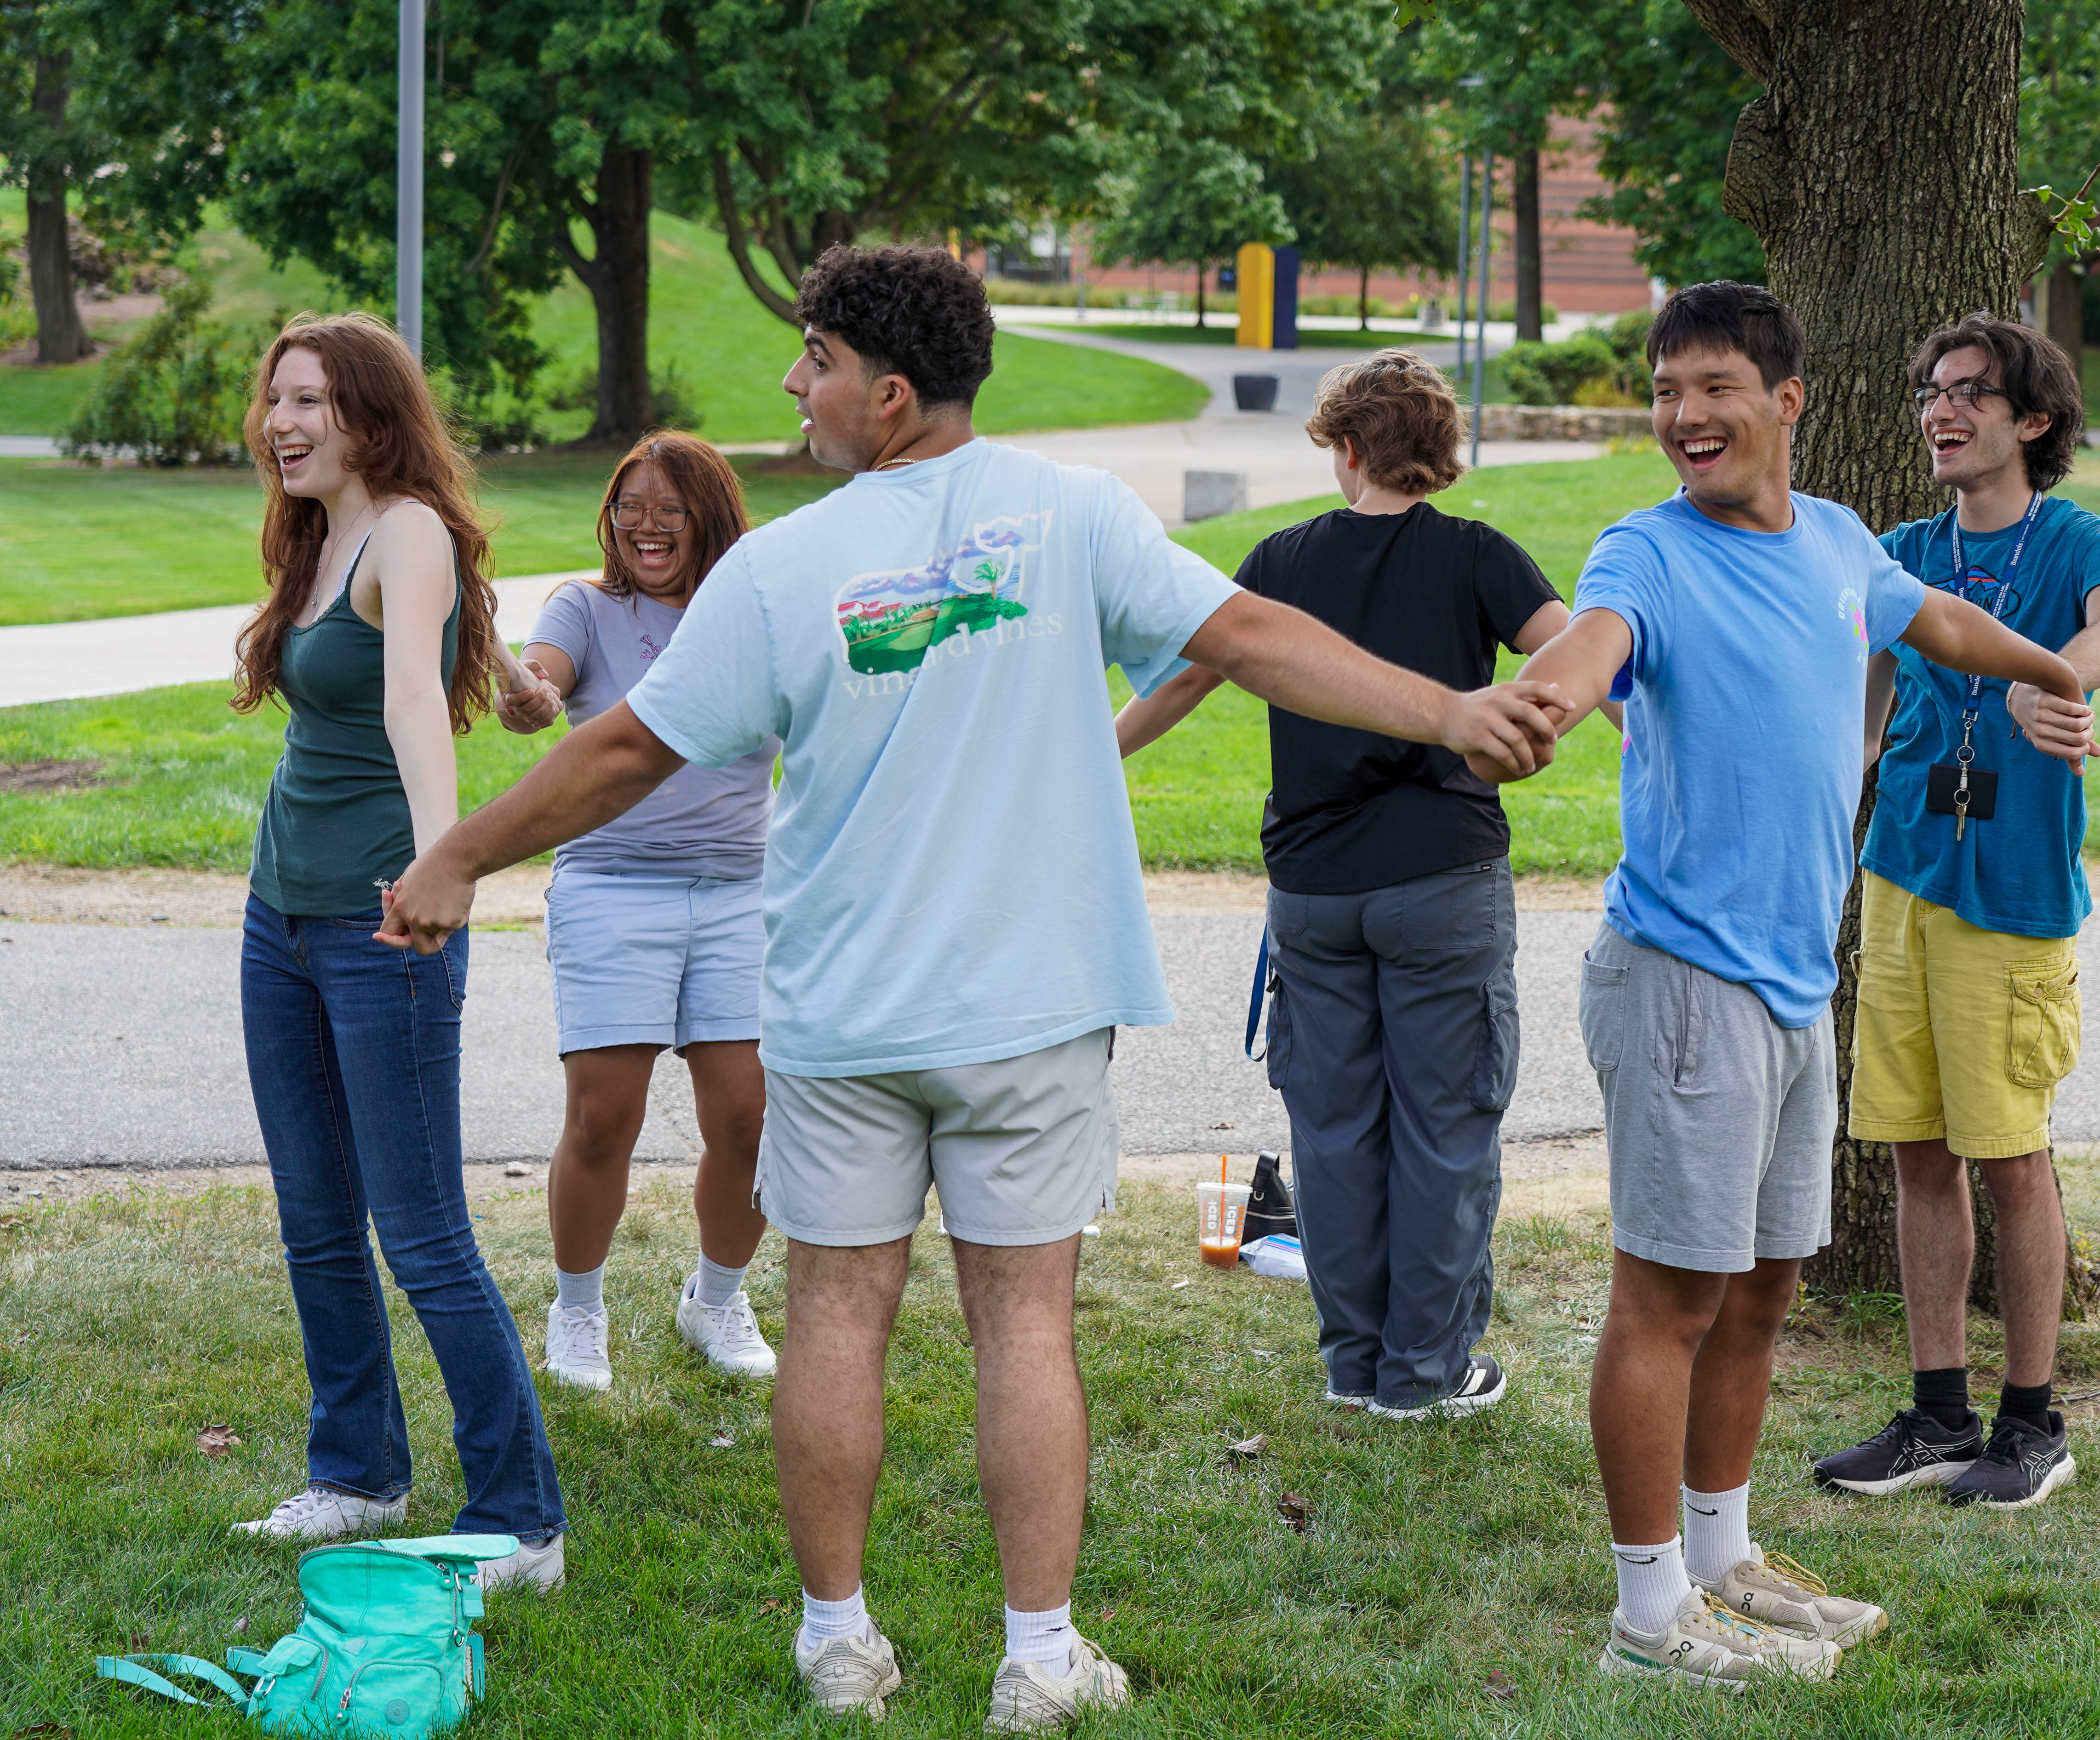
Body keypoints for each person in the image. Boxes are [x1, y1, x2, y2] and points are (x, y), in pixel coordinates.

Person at [374, 245, 1561, 1729]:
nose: (793, 389)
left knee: (835, 1312)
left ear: (885, 392)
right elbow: (1249, 639)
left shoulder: (788, 564)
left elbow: (626, 752)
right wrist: (1448, 705)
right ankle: (1038, 1654)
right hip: (1026, 1011)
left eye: (811, 362)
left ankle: (838, 1640)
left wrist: (455, 860)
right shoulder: (1068, 518)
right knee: (1021, 1323)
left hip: (848, 1011)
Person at [1475, 283, 2095, 1690]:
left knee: (1761, 1289)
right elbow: (1593, 642)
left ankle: (1719, 1557)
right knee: (1666, 1299)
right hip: (1682, 978)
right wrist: (1549, 702)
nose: (1682, 417)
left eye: (1710, 388)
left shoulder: (1833, 541)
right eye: (1663, 391)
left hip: (1791, 986)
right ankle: (1646, 1616)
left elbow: (1931, 618)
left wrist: (2049, 667)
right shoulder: (1646, 549)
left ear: (1783, 400)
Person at [1115, 351, 1568, 1421]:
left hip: (1313, 894)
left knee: (1334, 1134)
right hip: (1441, 881)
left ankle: (1352, 1366)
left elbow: (1186, 674)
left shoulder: (1278, 559)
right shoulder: (1477, 555)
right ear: (1438, 453)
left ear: (1348, 448)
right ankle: (1425, 1373)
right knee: (1443, 1130)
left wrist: (1091, 762)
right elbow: (1572, 660)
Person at [229, 312, 566, 1592]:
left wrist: (445, 867)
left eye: (310, 399)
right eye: (276, 401)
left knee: (421, 1234)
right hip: (283, 917)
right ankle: (357, 1471)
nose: (284, 423)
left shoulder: (408, 528)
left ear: (371, 412)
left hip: (385, 927)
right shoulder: (322, 534)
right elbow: (456, 662)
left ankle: (521, 1519)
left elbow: (412, 697)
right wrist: (527, 691)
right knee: (318, 1218)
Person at [1811, 314, 2100, 1510]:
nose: (1938, 413)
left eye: (1968, 394)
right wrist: (1819, 826)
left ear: (2031, 420)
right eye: (1928, 394)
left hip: (2009, 904)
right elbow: (1860, 710)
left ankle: (2030, 1421)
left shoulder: (2076, 541)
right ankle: (1937, 1412)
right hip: (1899, 884)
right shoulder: (1895, 553)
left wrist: (2056, 680)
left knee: (2010, 1159)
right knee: (1913, 1153)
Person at [513, 433, 780, 1391]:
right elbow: (542, 677)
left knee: (750, 1117)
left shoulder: (754, 613)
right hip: (611, 888)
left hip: (740, 893)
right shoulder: (586, 609)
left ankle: (715, 1298)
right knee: (603, 1116)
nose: (646, 524)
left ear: (711, 515)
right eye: (630, 505)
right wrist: (531, 694)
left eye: (669, 507)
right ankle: (576, 1311)